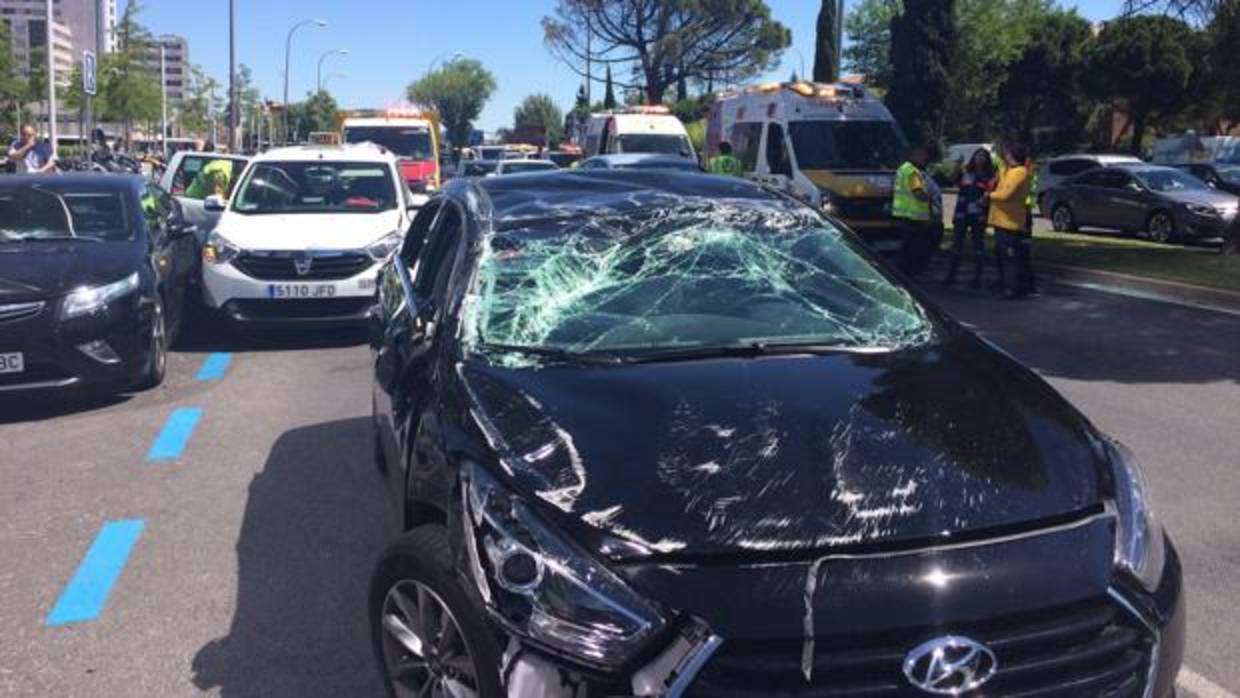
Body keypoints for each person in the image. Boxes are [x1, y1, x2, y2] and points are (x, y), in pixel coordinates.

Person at [986, 143, 1034, 299]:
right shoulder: (1009, 170)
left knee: (1009, 256)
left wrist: (989, 196)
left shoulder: (1019, 172)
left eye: (1008, 154)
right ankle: (1004, 283)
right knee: (1001, 254)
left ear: (1013, 156)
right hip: (1001, 220)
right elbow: (1000, 169)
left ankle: (1012, 288)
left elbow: (1006, 194)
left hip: (1010, 222)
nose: (1005, 156)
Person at [943, 148, 996, 287]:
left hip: (978, 214)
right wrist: (957, 166)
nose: (980, 158)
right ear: (973, 157)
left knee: (978, 246)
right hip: (962, 213)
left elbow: (992, 192)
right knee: (957, 245)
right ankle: (951, 275)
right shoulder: (966, 172)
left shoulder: (989, 176)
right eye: (978, 155)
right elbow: (951, 180)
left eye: (984, 156)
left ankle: (977, 278)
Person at [892, 144, 936, 276]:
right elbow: (918, 193)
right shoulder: (913, 172)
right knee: (913, 248)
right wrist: (931, 198)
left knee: (905, 247)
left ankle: (900, 273)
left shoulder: (903, 168)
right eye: (922, 155)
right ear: (914, 155)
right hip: (914, 217)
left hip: (904, 214)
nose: (925, 158)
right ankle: (908, 274)